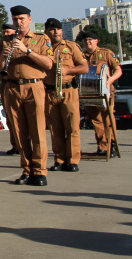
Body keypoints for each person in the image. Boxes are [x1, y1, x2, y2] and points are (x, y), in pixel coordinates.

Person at [0, 6, 54, 187]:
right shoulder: (5, 40)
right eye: (15, 19)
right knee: (19, 132)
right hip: (12, 87)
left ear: (29, 19)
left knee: (37, 130)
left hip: (34, 85)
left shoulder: (41, 39)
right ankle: (27, 169)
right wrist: (3, 58)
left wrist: (27, 50)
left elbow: (48, 64)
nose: (18, 22)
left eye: (21, 19)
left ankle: (39, 171)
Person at [43, 18, 88, 172]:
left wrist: (68, 71)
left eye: (58, 29)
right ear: (46, 32)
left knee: (72, 126)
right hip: (49, 91)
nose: (55, 32)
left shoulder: (71, 46)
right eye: (52, 29)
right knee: (55, 128)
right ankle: (59, 159)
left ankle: (73, 160)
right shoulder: (43, 47)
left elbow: (85, 67)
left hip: (68, 90)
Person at [78, 33, 122, 156]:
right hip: (89, 93)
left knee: (108, 119)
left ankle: (111, 144)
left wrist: (110, 80)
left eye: (90, 39)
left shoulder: (106, 53)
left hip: (106, 93)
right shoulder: (81, 55)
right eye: (85, 40)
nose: (88, 42)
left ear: (96, 41)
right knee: (96, 121)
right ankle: (102, 146)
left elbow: (118, 69)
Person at [0, 23, 20, 155]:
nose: (6, 35)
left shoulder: (21, 42)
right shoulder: (2, 44)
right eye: (5, 32)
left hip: (20, 83)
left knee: (22, 118)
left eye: (9, 32)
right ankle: (15, 144)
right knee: (10, 118)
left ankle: (24, 144)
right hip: (6, 83)